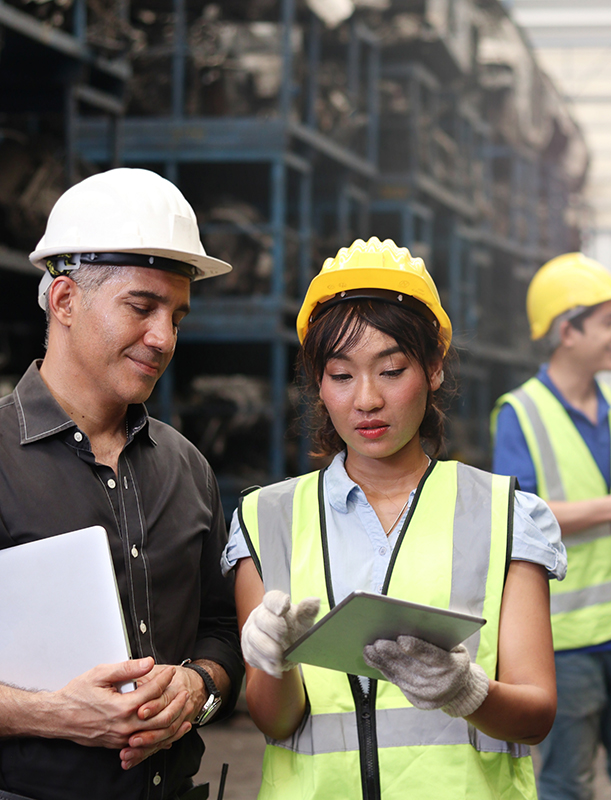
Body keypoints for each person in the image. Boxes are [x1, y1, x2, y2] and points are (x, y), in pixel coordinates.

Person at [0, 168, 245, 800]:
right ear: (64, 300)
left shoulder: (186, 468)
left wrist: (198, 687)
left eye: (177, 314)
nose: (164, 337)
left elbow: (224, 632)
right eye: (141, 307)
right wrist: (56, 714)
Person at [223, 237, 566, 799]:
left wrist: (467, 692)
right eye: (341, 375)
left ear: (432, 369)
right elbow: (275, 722)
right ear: (319, 383)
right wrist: (276, 664)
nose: (366, 400)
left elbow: (535, 715)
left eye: (391, 370)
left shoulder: (504, 514)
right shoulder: (267, 520)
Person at [491, 252, 611, 800]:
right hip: (567, 642)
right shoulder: (520, 413)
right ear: (568, 330)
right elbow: (520, 521)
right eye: (609, 321)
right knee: (565, 788)